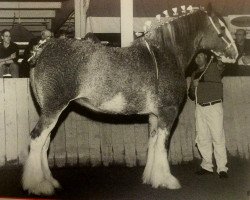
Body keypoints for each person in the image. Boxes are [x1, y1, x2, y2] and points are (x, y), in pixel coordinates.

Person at [188, 49, 228, 179]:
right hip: (199, 108)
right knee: (202, 138)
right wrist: (194, 86)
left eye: (200, 56)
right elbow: (191, 96)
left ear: (206, 57)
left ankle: (222, 168)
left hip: (214, 106)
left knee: (217, 137)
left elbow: (222, 64)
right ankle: (207, 166)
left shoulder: (214, 67)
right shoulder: (194, 74)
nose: (197, 58)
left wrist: (220, 57)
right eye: (196, 57)